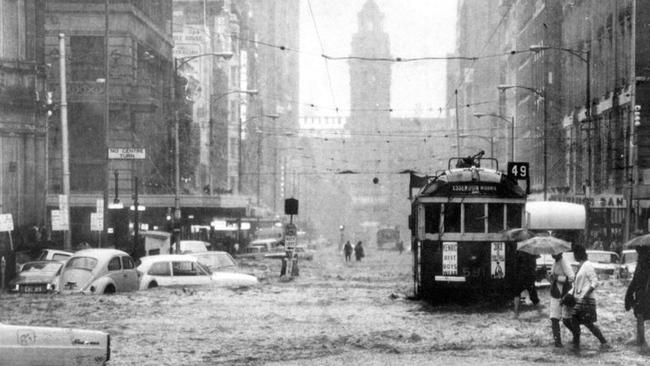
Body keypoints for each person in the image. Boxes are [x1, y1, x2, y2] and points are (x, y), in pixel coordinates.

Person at [569, 244, 609, 352]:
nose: (574, 256)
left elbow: (595, 282)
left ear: (578, 254)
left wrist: (586, 294)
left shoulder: (587, 265)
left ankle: (601, 342)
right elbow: (578, 285)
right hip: (579, 299)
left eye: (575, 254)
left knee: (584, 322)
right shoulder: (581, 266)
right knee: (578, 321)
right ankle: (577, 344)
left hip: (586, 300)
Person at [625, 246, 650, 351]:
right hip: (641, 295)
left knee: (641, 315)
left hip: (645, 295)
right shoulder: (640, 263)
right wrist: (629, 295)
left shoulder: (643, 263)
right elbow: (635, 281)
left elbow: (636, 281)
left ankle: (642, 341)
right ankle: (641, 340)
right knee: (640, 316)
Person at [548, 252, 575, 348]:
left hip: (563, 294)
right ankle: (557, 342)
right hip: (555, 294)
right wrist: (551, 277)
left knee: (566, 320)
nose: (551, 254)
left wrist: (557, 278)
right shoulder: (555, 262)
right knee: (554, 318)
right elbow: (553, 278)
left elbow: (571, 278)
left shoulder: (564, 262)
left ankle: (576, 334)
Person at [512, 251, 540, 318]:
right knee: (533, 295)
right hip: (529, 276)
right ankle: (539, 311)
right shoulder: (532, 252)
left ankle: (516, 313)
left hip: (521, 276)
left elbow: (516, 265)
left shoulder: (519, 252)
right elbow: (534, 265)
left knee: (516, 294)